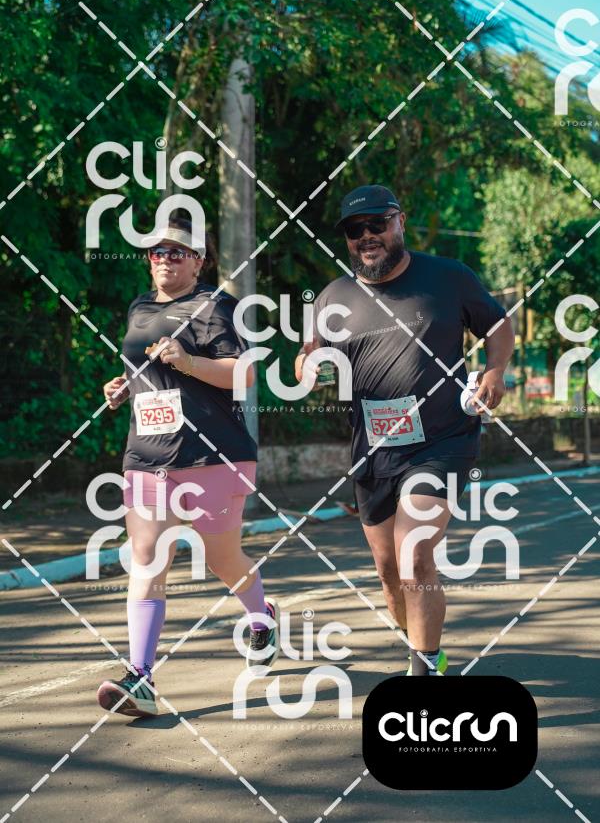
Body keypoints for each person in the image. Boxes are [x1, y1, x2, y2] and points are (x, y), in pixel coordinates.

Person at [295, 185, 514, 676]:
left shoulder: (448, 277)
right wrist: (308, 366)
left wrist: (495, 371)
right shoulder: (334, 297)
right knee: (389, 572)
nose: (366, 236)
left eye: (377, 224)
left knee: (414, 554)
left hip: (442, 440)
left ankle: (425, 666)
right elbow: (307, 354)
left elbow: (497, 326)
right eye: (355, 230)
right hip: (372, 450)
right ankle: (422, 645)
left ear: (400, 221)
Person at [97, 213, 280, 717]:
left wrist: (187, 361)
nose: (165, 259)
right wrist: (124, 387)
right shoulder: (139, 307)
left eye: (178, 251)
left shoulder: (215, 305)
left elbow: (242, 374)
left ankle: (261, 616)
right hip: (148, 455)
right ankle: (140, 677)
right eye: (157, 251)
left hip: (211, 455)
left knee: (223, 559)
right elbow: (147, 373)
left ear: (199, 261)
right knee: (147, 557)